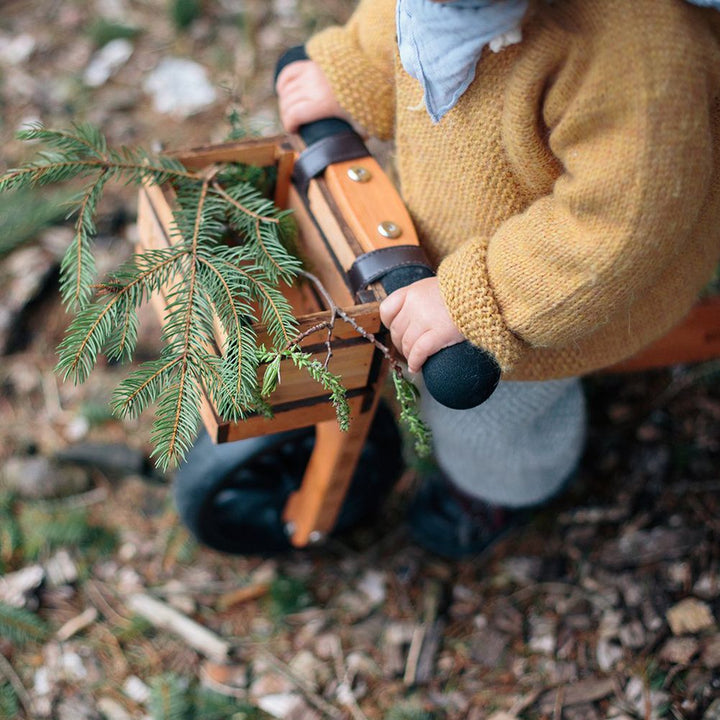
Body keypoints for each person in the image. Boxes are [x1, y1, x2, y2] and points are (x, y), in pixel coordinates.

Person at [275, 0, 720, 558]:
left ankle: (502, 489)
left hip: (562, 288)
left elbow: (621, 226)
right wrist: (358, 69)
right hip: (452, 227)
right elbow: (401, 15)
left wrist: (480, 300)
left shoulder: (635, 54)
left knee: (489, 417)